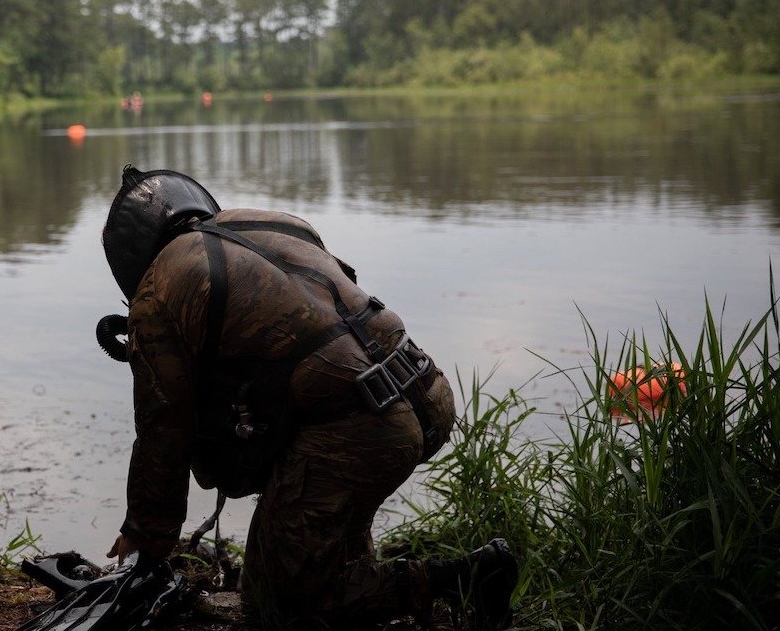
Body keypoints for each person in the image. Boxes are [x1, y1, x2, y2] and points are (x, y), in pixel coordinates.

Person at [98, 166, 518, 630]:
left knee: (274, 606)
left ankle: (462, 578)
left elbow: (164, 428)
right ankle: (364, 589)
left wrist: (146, 535)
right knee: (335, 537)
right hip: (424, 392)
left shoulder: (158, 292)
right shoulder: (275, 223)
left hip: (358, 427)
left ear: (129, 260)